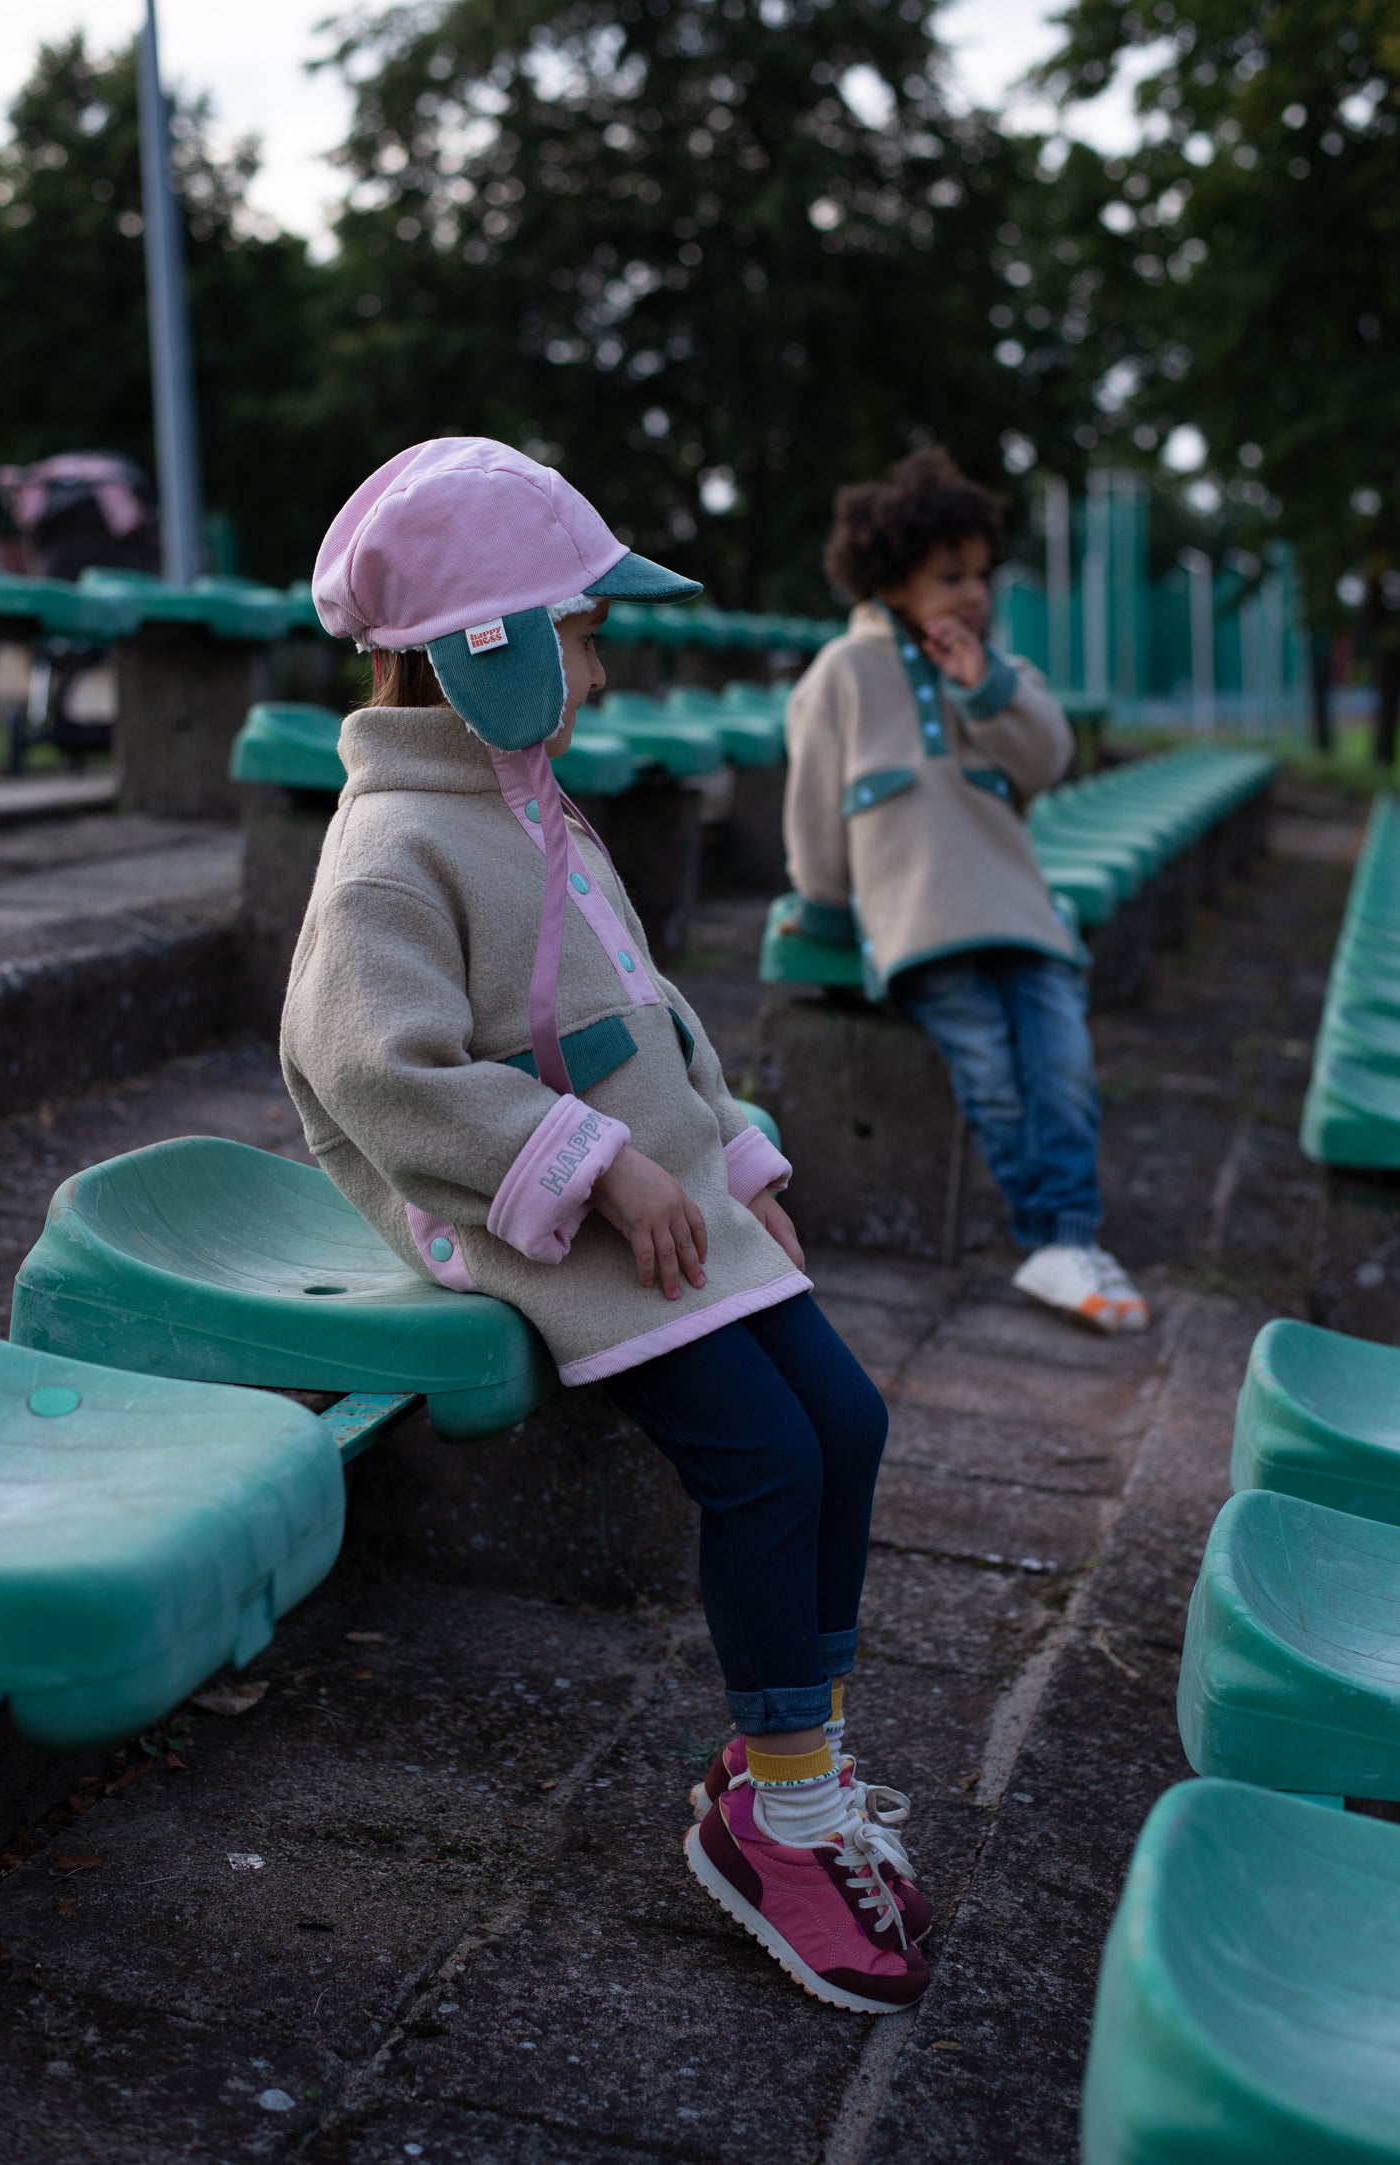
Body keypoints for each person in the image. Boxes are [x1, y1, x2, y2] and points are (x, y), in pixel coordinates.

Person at [281, 438, 930, 2014]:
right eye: (580, 634)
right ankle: (778, 1823)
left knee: (842, 1419)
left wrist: (727, 1144)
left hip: (663, 1193)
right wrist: (593, 1165)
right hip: (535, 1215)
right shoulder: (392, 846)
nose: (604, 666)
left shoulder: (536, 809)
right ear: (483, 650)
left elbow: (647, 1009)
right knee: (764, 1460)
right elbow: (364, 1065)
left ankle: (793, 1764)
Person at [782, 446, 1147, 1334]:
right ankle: (1051, 1239)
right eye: (951, 576)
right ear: (892, 579)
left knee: (1062, 1066)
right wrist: (825, 908)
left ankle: (1067, 1236)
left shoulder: (998, 671)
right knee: (989, 1070)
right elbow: (813, 806)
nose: (974, 594)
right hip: (923, 923)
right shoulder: (843, 672)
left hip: (1021, 914)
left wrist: (983, 687)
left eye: (981, 575)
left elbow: (1047, 758)